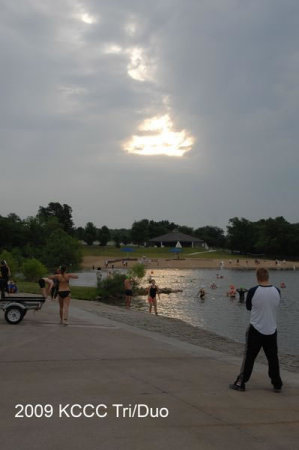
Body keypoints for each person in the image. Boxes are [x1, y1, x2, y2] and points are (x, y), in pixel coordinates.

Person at [229, 268, 283, 393]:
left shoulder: (253, 291)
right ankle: (277, 384)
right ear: (268, 277)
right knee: (273, 358)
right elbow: (276, 304)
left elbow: (248, 307)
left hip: (256, 328)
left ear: (257, 277)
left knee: (249, 357)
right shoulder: (277, 290)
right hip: (272, 329)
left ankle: (241, 382)